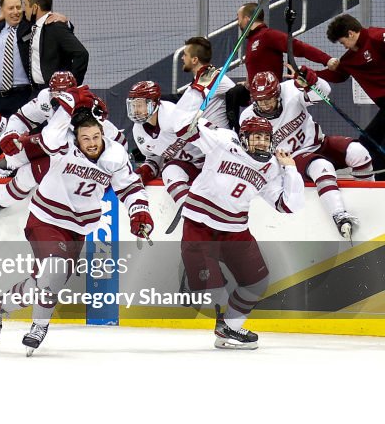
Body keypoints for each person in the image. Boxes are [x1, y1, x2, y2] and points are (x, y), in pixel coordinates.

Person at [0, 93, 153, 355]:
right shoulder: (60, 144)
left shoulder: (115, 155)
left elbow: (130, 187)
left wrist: (139, 214)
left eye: (96, 137)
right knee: (55, 271)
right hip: (46, 218)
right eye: (86, 138)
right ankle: (39, 327)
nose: (92, 143)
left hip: (78, 227)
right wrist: (70, 100)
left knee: (45, 283)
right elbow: (47, 137)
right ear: (76, 137)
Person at [178, 117, 304, 349]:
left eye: (266, 139)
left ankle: (230, 329)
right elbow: (183, 125)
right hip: (200, 223)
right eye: (256, 137)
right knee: (213, 285)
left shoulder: (272, 166)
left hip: (235, 229)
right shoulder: (223, 140)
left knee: (257, 280)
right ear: (244, 138)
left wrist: (291, 170)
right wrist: (198, 92)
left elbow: (289, 205)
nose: (261, 143)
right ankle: (198, 281)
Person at [0, 71, 126, 217]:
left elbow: (119, 141)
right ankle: (11, 164)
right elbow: (22, 117)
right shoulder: (46, 99)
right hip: (59, 149)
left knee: (30, 172)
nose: (58, 98)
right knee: (20, 150)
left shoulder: (87, 108)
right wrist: (11, 134)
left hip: (82, 163)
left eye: (63, 94)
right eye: (56, 93)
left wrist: (117, 165)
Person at [240, 70, 370, 238]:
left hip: (319, 143)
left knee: (359, 152)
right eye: (260, 100)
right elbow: (251, 149)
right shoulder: (248, 116)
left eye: (268, 99)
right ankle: (339, 214)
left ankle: (369, 199)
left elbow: (324, 92)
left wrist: (311, 82)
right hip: (294, 159)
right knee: (322, 166)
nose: (265, 105)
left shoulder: (290, 90)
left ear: (278, 94)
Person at [224, 2, 332, 130]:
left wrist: (327, 60)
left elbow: (299, 47)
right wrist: (248, 81)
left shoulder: (267, 35)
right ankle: (235, 134)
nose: (238, 22)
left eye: (239, 18)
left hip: (272, 96)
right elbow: (257, 66)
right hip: (256, 96)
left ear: (247, 19)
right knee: (233, 94)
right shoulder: (252, 40)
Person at [127, 80, 208, 211]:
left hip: (211, 162)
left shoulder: (172, 114)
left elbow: (208, 132)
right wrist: (143, 173)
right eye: (133, 106)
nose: (136, 110)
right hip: (189, 165)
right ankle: (188, 209)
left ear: (153, 104)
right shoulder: (138, 131)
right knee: (169, 171)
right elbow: (154, 158)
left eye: (140, 105)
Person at [323, 14, 385, 180]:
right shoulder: (349, 59)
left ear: (351, 33)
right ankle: (379, 183)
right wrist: (307, 74)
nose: (344, 47)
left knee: (370, 141)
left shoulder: (377, 37)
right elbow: (338, 76)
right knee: (369, 142)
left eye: (343, 42)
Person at [21, 0, 87, 87]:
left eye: (25, 5)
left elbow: (82, 54)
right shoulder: (33, 25)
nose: (23, 10)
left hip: (54, 90)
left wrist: (72, 85)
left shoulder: (55, 26)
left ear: (34, 7)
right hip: (35, 91)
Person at [0, 0, 35, 116]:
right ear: (2, 10)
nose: (16, 12)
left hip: (22, 97)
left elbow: (48, 23)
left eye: (18, 7)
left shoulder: (30, 27)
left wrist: (64, 21)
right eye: (11, 8)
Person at [175, 36, 235, 129]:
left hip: (218, 137)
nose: (182, 58)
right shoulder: (198, 79)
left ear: (194, 60)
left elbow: (237, 92)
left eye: (185, 55)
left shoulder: (215, 77)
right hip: (204, 138)